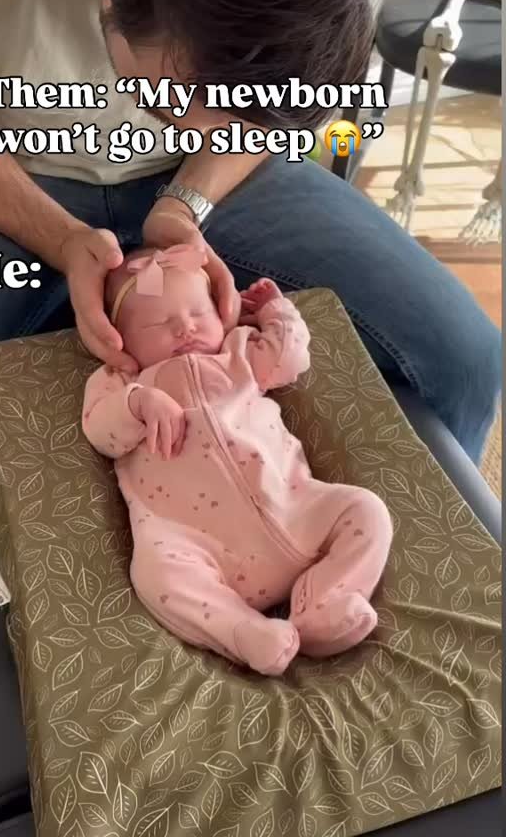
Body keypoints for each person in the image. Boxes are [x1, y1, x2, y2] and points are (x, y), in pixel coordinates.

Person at [0, 0, 499, 832]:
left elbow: (276, 117)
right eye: (181, 93)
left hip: (214, 190)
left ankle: (387, 621)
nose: (199, 118)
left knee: (465, 356)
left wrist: (187, 199)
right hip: (11, 172)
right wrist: (61, 239)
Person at [83, 244, 393, 675]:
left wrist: (275, 312)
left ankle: (324, 606)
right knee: (155, 576)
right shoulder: (120, 381)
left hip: (294, 509)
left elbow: (290, 357)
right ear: (121, 341)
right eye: (158, 323)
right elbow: (101, 431)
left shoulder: (239, 353)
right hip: (198, 545)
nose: (185, 328)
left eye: (198, 312)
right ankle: (245, 632)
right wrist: (138, 403)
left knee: (367, 510)